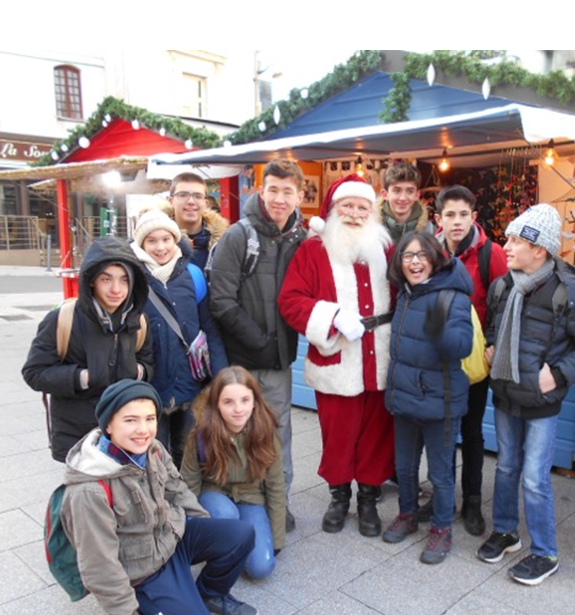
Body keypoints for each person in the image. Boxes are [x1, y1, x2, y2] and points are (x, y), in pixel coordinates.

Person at [60, 379, 258, 615]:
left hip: (170, 538)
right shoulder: (89, 490)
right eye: (130, 420)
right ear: (108, 424)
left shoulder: (152, 449)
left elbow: (177, 489)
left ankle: (208, 595)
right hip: (144, 572)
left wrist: (204, 530)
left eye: (150, 418)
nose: (143, 430)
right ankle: (146, 613)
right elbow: (99, 566)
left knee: (240, 533)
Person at [479, 204, 575, 585]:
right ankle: (505, 532)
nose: (507, 246)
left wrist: (560, 374)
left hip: (542, 400)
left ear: (541, 250)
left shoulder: (572, 292)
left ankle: (544, 553)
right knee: (505, 467)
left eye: (516, 240)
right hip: (504, 392)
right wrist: (489, 346)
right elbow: (492, 326)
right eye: (508, 238)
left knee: (534, 477)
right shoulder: (504, 285)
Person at [279, 175, 395, 537]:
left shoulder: (387, 249)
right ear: (333, 209)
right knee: (339, 432)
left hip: (381, 352)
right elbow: (291, 299)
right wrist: (330, 317)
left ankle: (369, 499)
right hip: (336, 353)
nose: (355, 214)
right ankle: (339, 496)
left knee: (377, 432)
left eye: (363, 207)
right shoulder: (313, 250)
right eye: (347, 206)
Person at [207, 159, 307, 531]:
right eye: (274, 189)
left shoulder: (301, 238)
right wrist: (260, 340)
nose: (280, 199)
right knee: (238, 431)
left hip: (279, 360)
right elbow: (222, 301)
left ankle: (278, 503)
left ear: (300, 195)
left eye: (288, 191)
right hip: (243, 359)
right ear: (261, 191)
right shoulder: (238, 236)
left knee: (278, 432)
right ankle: (240, 502)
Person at [382, 231, 473, 564]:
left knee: (440, 473)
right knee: (404, 466)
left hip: (441, 401)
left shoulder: (453, 297)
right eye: (407, 256)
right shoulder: (404, 294)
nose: (415, 262)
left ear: (435, 258)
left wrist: (442, 332)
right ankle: (407, 514)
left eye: (422, 255)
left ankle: (441, 529)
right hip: (405, 396)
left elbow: (463, 346)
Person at [22, 237, 155, 462]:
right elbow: (34, 373)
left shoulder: (138, 321)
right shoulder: (63, 319)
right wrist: (82, 377)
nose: (116, 289)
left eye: (124, 280)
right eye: (106, 279)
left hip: (125, 432)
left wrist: (137, 372)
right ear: (91, 280)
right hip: (78, 431)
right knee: (86, 494)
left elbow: (148, 363)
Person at [429, 184, 508, 535]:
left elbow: (504, 305)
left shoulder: (493, 254)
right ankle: (439, 495)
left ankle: (472, 501)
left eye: (463, 214)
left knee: (471, 431)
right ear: (438, 218)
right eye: (450, 215)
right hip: (436, 357)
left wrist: (493, 344)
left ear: (474, 217)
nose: (457, 222)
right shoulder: (428, 252)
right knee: (438, 431)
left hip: (475, 359)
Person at [129, 208, 227, 468]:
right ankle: (158, 506)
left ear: (175, 240)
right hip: (150, 388)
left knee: (189, 454)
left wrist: (221, 376)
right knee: (153, 456)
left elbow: (210, 328)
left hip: (189, 384)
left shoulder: (192, 275)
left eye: (166, 239)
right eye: (152, 241)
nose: (160, 247)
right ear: (141, 244)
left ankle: (185, 503)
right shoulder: (132, 280)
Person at [181, 366, 285, 579]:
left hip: (251, 498)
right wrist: (187, 534)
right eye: (228, 402)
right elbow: (188, 484)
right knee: (226, 514)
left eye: (245, 400)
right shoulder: (202, 434)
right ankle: (222, 546)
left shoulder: (266, 432)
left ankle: (237, 541)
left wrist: (277, 539)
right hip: (215, 494)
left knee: (261, 568)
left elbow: (276, 485)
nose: (238, 409)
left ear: (255, 400)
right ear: (216, 404)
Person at [168, 170, 229, 271]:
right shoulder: (156, 241)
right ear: (171, 201)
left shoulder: (225, 242)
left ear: (206, 203)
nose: (191, 201)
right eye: (183, 195)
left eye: (198, 196)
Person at [378, 161, 432, 244]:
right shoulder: (370, 228)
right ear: (385, 194)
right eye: (397, 191)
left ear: (417, 195)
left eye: (410, 191)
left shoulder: (429, 230)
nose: (403, 198)